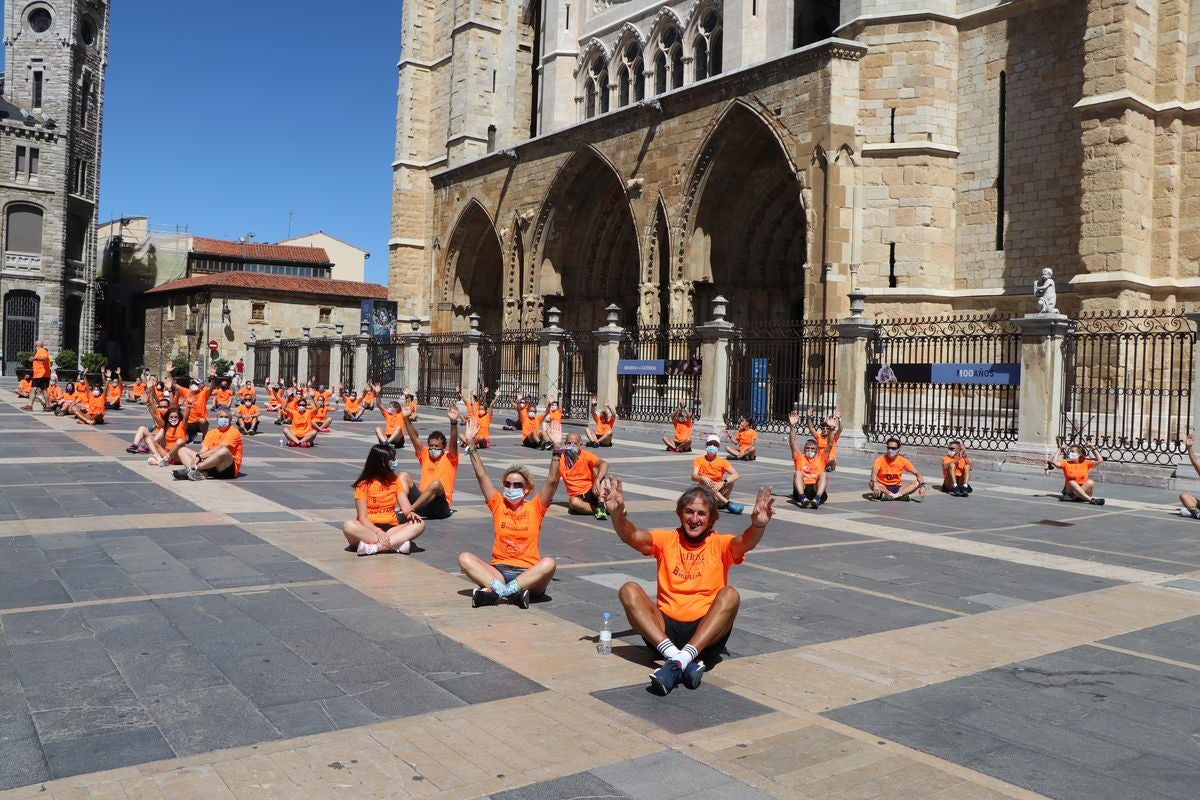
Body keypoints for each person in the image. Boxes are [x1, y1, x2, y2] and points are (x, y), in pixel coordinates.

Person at [601, 478, 775, 695]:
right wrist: (617, 514)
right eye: (689, 512)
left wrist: (758, 524)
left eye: (701, 514)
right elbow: (633, 536)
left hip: (705, 636)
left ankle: (678, 660)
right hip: (664, 633)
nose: (694, 519)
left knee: (730, 595)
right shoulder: (666, 539)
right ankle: (681, 659)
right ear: (679, 514)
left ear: (712, 519)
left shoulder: (721, 544)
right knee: (629, 589)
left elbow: (745, 542)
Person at [458, 424, 562, 608]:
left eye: (517, 485)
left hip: (529, 575)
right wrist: (471, 445)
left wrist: (556, 449)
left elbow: (553, 481)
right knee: (464, 558)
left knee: (549, 563)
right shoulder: (498, 504)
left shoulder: (536, 507)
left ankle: (500, 592)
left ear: (528, 489)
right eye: (508, 484)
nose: (511, 488)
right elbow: (482, 476)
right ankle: (510, 593)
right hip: (498, 572)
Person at [342, 444, 426, 555]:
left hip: (391, 529)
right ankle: (396, 544)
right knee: (348, 526)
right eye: (392, 459)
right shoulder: (363, 484)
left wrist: (411, 513)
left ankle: (374, 548)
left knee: (419, 524)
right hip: (369, 529)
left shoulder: (395, 481)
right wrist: (378, 532)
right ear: (382, 463)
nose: (395, 461)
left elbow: (405, 507)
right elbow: (362, 518)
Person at [395, 406, 459, 519]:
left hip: (440, 507)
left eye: (437, 446)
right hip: (422, 502)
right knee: (402, 476)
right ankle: (405, 507)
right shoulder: (425, 455)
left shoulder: (450, 458)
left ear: (444, 447)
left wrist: (453, 423)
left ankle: (408, 511)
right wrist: (406, 419)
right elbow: (414, 438)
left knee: (436, 484)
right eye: (431, 446)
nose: (433, 449)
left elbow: (453, 443)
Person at [173, 406, 243, 481]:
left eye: (226, 417)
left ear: (230, 419)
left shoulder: (234, 432)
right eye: (221, 417)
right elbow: (204, 449)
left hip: (225, 467)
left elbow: (222, 447)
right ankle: (198, 473)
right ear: (217, 418)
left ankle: (194, 469)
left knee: (224, 450)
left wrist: (199, 457)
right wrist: (198, 456)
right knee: (182, 450)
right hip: (210, 463)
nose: (223, 419)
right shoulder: (211, 433)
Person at [556, 430, 609, 519]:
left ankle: (601, 503)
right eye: (569, 443)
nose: (571, 446)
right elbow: (553, 481)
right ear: (565, 444)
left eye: (575, 444)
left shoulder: (586, 455)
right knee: (573, 503)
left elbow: (604, 464)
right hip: (577, 495)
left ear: (580, 445)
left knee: (598, 472)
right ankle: (602, 509)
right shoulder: (559, 460)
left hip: (593, 490)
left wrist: (597, 480)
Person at [787, 410, 833, 508]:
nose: (810, 450)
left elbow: (829, 444)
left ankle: (817, 499)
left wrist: (832, 428)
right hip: (802, 487)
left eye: (812, 449)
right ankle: (803, 498)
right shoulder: (799, 457)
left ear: (817, 450)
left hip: (816, 488)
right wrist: (792, 426)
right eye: (808, 448)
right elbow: (792, 442)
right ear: (804, 449)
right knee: (798, 473)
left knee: (824, 474)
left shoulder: (821, 457)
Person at [691, 434, 744, 514]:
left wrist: (723, 483)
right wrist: (702, 478)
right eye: (710, 444)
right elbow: (694, 476)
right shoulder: (699, 460)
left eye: (715, 444)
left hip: (719, 492)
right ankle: (728, 504)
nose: (712, 446)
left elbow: (736, 474)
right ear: (706, 445)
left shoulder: (722, 462)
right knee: (704, 481)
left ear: (718, 447)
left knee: (731, 478)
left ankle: (724, 503)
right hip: (705, 494)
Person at [23, 339, 51, 412]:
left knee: (37, 390)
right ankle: (46, 406)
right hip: (40, 374)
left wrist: (35, 358)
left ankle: (32, 406)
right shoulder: (40, 351)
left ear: (36, 346)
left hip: (41, 374)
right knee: (39, 390)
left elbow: (44, 358)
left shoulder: (42, 350)